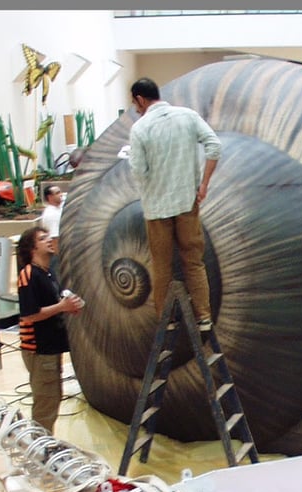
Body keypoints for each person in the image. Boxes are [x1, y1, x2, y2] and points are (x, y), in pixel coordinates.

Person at [128, 77, 222, 331]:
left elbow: (139, 171)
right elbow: (214, 146)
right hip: (187, 203)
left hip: (157, 209)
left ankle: (166, 320)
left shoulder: (140, 128)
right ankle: (203, 317)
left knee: (162, 266)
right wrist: (203, 185)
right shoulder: (188, 116)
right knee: (193, 261)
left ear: (140, 99)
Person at [16, 226, 83, 434]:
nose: (49, 240)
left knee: (52, 397)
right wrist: (62, 307)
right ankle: (40, 449)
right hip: (39, 348)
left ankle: (44, 443)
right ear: (32, 248)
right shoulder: (29, 275)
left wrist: (68, 306)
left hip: (51, 348)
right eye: (43, 238)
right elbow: (29, 314)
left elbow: (53, 306)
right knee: (46, 402)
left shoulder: (49, 272)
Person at [40, 184, 64, 252]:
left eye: (60, 192)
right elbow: (54, 240)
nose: (61, 195)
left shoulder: (58, 209)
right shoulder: (51, 214)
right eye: (57, 193)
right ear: (50, 197)